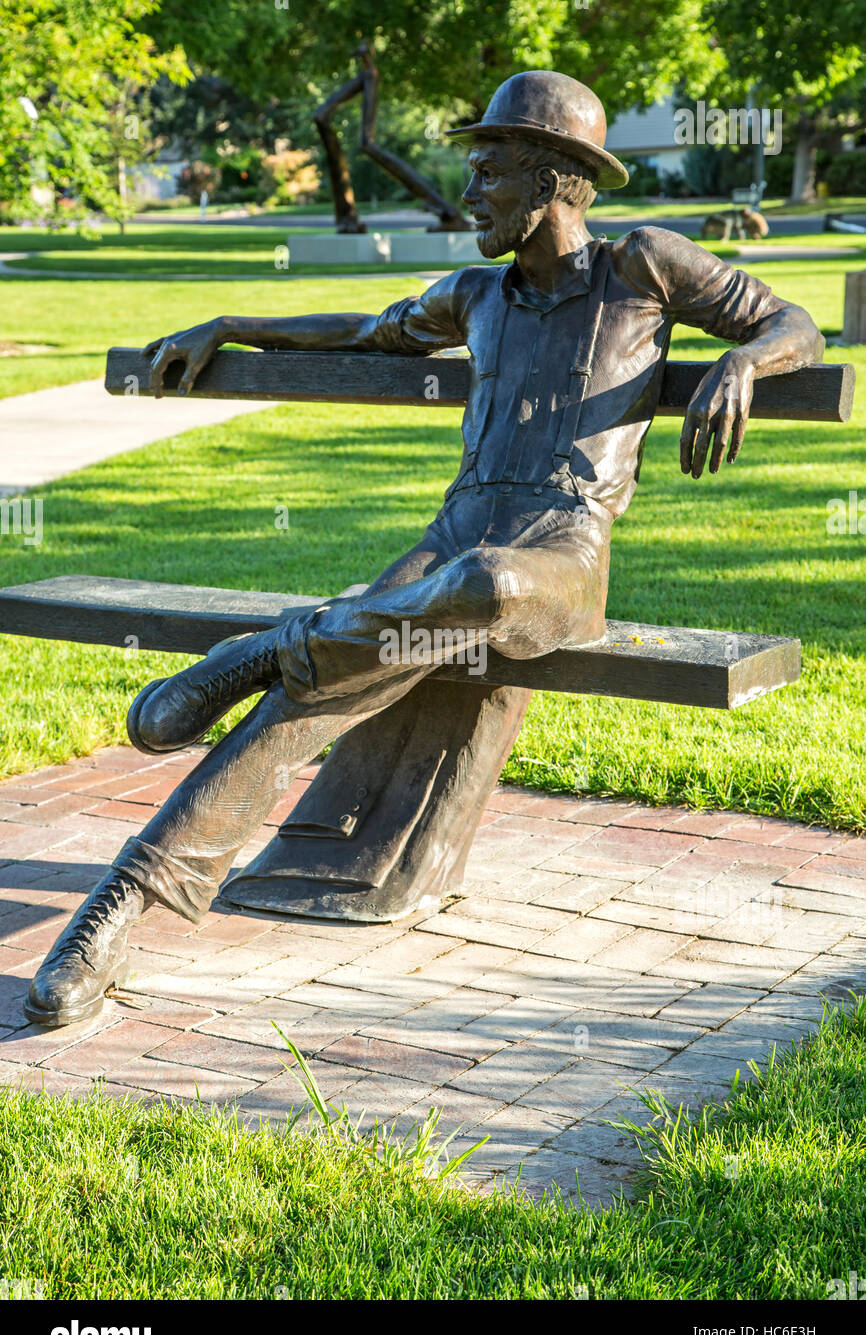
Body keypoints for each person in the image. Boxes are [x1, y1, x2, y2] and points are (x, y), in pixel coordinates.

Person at [26, 71, 822, 1028]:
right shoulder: (476, 295)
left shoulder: (641, 266)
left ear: (554, 180)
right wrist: (232, 323)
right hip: (450, 542)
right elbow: (363, 332)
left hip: (557, 557)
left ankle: (279, 641)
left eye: (488, 173)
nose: (468, 194)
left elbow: (792, 322)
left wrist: (743, 359)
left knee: (476, 588)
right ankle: (119, 907)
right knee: (310, 694)